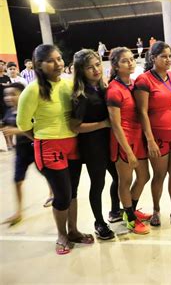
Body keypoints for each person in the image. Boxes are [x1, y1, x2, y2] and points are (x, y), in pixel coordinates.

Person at [17, 44, 93, 255]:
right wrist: (42, 139)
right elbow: (23, 124)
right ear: (39, 65)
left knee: (73, 192)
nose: (58, 64)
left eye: (59, 59)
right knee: (62, 195)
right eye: (51, 60)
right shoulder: (32, 91)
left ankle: (74, 231)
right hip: (49, 147)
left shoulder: (68, 85)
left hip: (73, 145)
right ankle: (61, 235)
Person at [135, 42, 171, 227]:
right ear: (153, 58)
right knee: (159, 175)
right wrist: (149, 139)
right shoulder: (144, 80)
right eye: (163, 56)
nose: (168, 60)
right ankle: (157, 210)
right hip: (158, 136)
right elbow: (142, 112)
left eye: (169, 56)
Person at [70, 49, 121, 240]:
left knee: (119, 177)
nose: (95, 69)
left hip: (109, 143)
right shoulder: (80, 95)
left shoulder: (103, 88)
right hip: (92, 147)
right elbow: (75, 126)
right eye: (89, 67)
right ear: (81, 71)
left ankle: (115, 210)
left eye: (98, 64)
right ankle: (99, 222)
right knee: (98, 184)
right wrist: (103, 124)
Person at [106, 47, 151, 234]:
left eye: (132, 59)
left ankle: (130, 211)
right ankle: (130, 219)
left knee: (144, 177)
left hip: (137, 137)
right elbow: (115, 125)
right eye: (125, 61)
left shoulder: (132, 84)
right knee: (125, 181)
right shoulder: (113, 90)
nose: (131, 63)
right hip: (123, 141)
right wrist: (129, 152)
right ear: (116, 66)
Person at [0, 83, 53, 226]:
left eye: (13, 94)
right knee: (17, 180)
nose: (9, 97)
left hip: (35, 149)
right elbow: (5, 125)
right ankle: (18, 212)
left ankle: (52, 194)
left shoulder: (31, 110)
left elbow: (35, 128)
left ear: (22, 95)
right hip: (21, 152)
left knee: (47, 174)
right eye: (6, 95)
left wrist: (16, 131)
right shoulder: (9, 112)